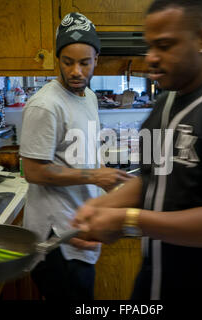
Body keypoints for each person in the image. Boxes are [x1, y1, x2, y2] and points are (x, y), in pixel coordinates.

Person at [73, 0, 202, 300]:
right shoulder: (165, 104)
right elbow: (152, 180)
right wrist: (101, 207)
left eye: (164, 46)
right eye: (150, 45)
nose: (151, 58)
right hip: (157, 280)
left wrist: (127, 220)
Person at [19, 12, 131, 300]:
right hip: (56, 239)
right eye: (68, 62)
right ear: (58, 59)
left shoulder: (88, 97)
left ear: (97, 59)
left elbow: (84, 153)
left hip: (80, 226)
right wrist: (96, 175)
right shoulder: (45, 105)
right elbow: (33, 171)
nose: (76, 72)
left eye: (84, 62)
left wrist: (107, 181)